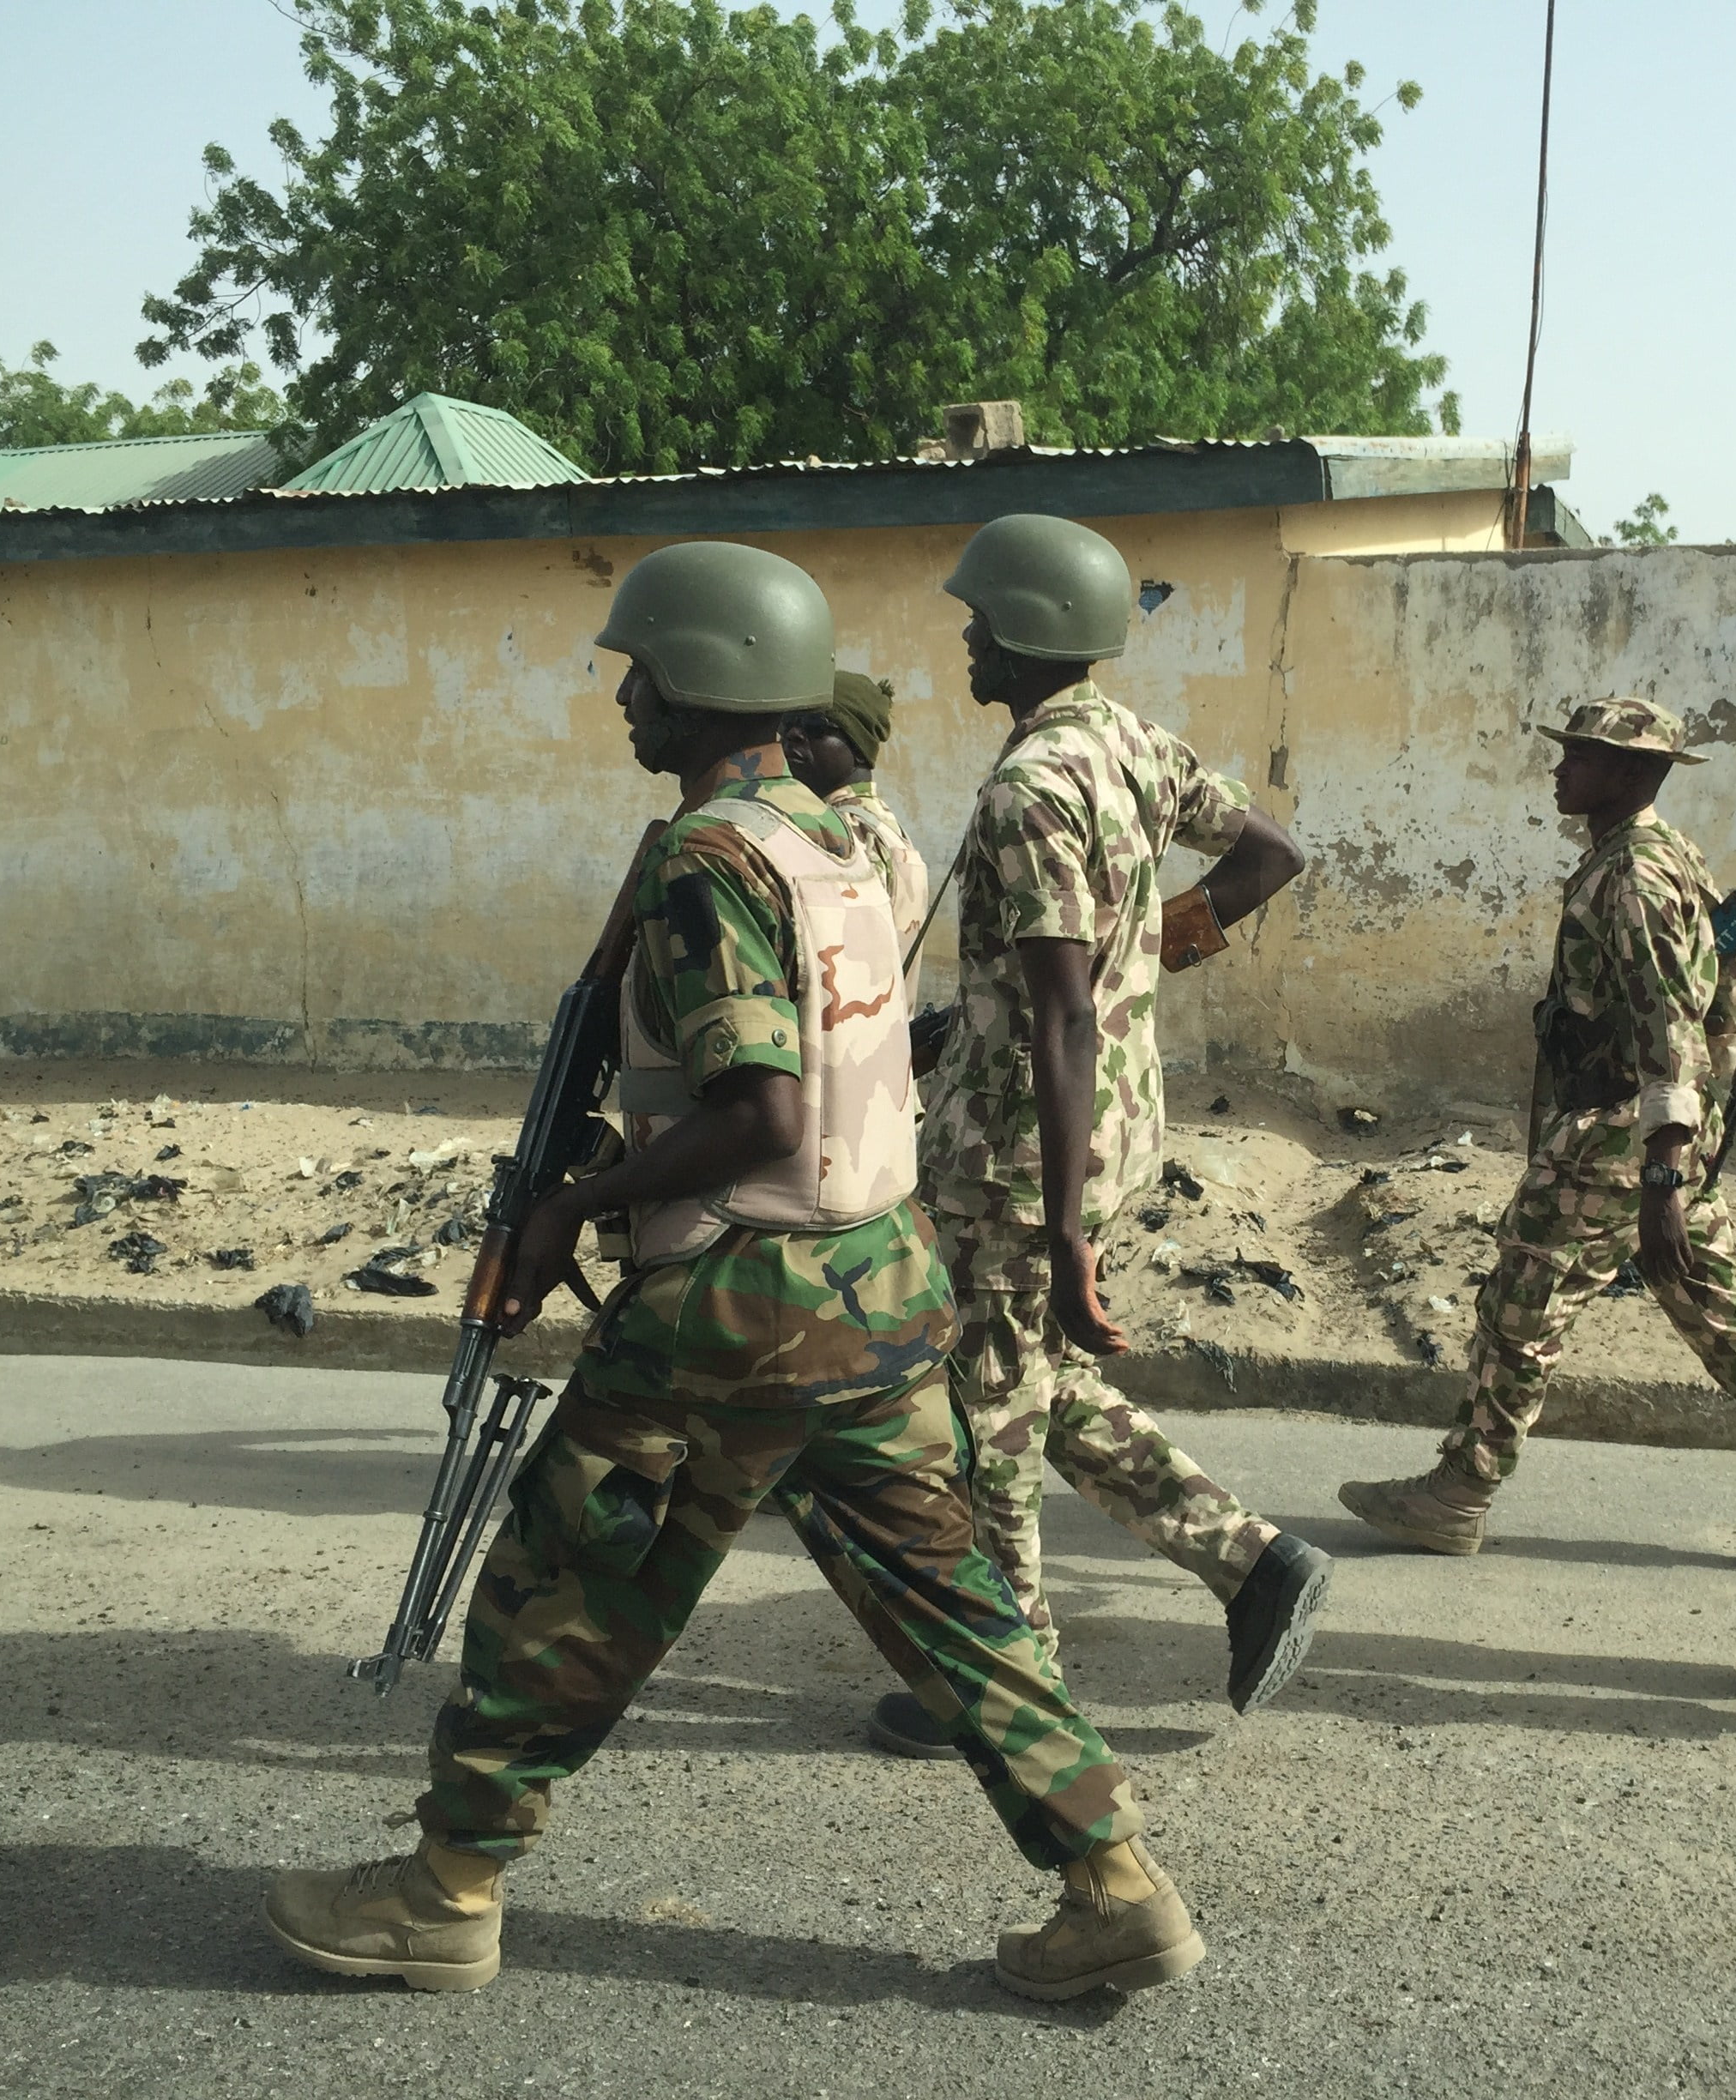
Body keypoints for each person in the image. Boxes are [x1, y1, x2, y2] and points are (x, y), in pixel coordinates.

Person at [263, 540, 1204, 2002]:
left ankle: (446, 1887)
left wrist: (570, 1201)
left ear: (701, 681)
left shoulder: (707, 858)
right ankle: (1115, 1880)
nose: (623, 698)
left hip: (737, 1296)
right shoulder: (847, 841)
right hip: (878, 1286)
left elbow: (757, 1107)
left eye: (640, 671)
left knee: (559, 1575)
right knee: (952, 1601)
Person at [870, 512, 1331, 1759]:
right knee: (1028, 1378)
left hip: (1028, 1161)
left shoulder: (1030, 787)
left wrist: (1065, 1232)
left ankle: (1006, 1689)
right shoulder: (1129, 744)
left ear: (1022, 632)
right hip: (1103, 1127)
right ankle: (1253, 1563)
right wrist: (1155, 953)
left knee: (988, 1423)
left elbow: (1067, 1010)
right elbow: (1268, 854)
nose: (965, 637)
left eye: (978, 619)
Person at [1337, 697, 1736, 1568]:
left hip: (1622, 1134)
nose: (1561, 769)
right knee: (1732, 1324)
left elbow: (1670, 1018)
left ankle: (1459, 1492)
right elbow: (1724, 998)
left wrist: (1667, 1173)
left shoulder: (1632, 874)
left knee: (1521, 1307)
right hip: (1650, 1131)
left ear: (1634, 773)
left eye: (1582, 757)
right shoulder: (1656, 853)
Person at [783, 668, 931, 969]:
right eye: (786, 725)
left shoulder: (844, 834)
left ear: (859, 747)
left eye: (815, 725)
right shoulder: (883, 823)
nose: (793, 736)